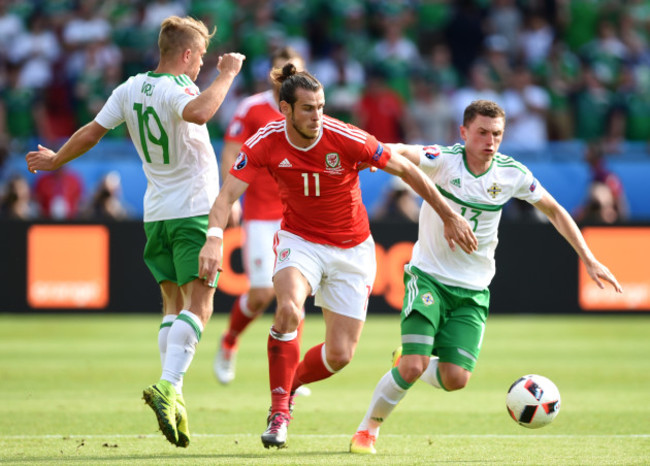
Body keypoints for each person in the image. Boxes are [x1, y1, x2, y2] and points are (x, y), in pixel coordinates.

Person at [198, 64, 478, 450]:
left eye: (321, 106)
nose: (318, 116)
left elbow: (407, 171)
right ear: (285, 110)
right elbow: (226, 196)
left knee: (340, 355)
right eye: (308, 109)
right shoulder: (265, 141)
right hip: (300, 240)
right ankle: (279, 412)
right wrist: (214, 238)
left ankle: (289, 383)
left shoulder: (346, 137)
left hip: (352, 248)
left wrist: (448, 215)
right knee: (289, 310)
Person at [349, 99, 623, 455]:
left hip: (474, 289)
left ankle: (407, 359)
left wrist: (588, 257)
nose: (489, 140)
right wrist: (374, 154)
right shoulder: (444, 160)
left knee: (455, 378)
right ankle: (367, 430)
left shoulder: (512, 174)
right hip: (429, 276)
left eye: (496, 134)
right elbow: (403, 151)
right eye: (481, 132)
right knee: (414, 366)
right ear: (463, 133)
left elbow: (555, 210)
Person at [25, 15, 245, 448]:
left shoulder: (129, 88)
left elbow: (93, 132)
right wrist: (228, 76)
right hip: (193, 213)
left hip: (156, 212)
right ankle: (168, 385)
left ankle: (174, 393)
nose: (202, 64)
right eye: (200, 56)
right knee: (200, 306)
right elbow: (201, 110)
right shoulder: (178, 89)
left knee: (172, 304)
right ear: (185, 55)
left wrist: (55, 160)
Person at [213, 46, 309, 389]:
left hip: (298, 216)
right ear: (271, 73)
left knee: (294, 296)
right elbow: (230, 151)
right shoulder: (251, 109)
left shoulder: (307, 110)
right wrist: (231, 198)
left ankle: (294, 373)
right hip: (260, 212)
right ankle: (229, 341)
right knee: (260, 294)